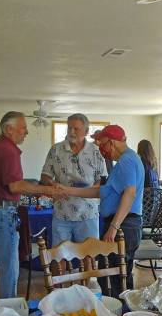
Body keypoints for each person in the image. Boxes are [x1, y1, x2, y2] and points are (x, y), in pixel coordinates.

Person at [0, 111, 62, 300]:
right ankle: (8, 312)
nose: (26, 133)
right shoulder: (9, 150)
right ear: (9, 129)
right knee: (9, 266)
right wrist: (46, 190)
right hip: (2, 213)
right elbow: (15, 186)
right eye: (23, 128)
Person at [58, 124, 144, 295]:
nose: (102, 151)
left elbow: (130, 193)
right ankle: (118, 314)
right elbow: (102, 191)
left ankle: (116, 315)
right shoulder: (129, 159)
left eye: (103, 145)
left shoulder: (126, 160)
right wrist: (68, 190)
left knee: (114, 277)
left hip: (123, 226)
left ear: (111, 143)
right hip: (125, 225)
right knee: (119, 275)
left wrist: (114, 226)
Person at [40, 113, 106, 246]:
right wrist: (53, 185)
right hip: (62, 213)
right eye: (69, 128)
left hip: (88, 213)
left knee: (89, 257)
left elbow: (102, 181)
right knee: (59, 256)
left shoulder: (96, 152)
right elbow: (45, 176)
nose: (71, 132)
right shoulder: (56, 150)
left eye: (76, 129)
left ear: (86, 131)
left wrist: (87, 191)